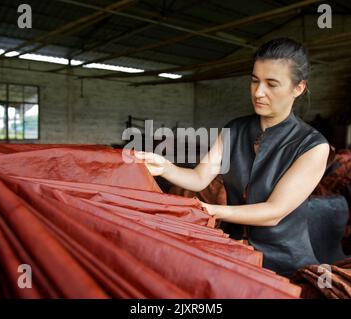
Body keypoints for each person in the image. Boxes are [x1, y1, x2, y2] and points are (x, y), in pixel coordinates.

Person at [135, 38, 332, 276]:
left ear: (298, 88)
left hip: (283, 260)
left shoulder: (312, 145)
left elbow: (274, 212)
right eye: (254, 81)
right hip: (234, 248)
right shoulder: (234, 129)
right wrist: (164, 166)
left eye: (272, 84)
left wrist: (212, 210)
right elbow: (199, 178)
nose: (259, 92)